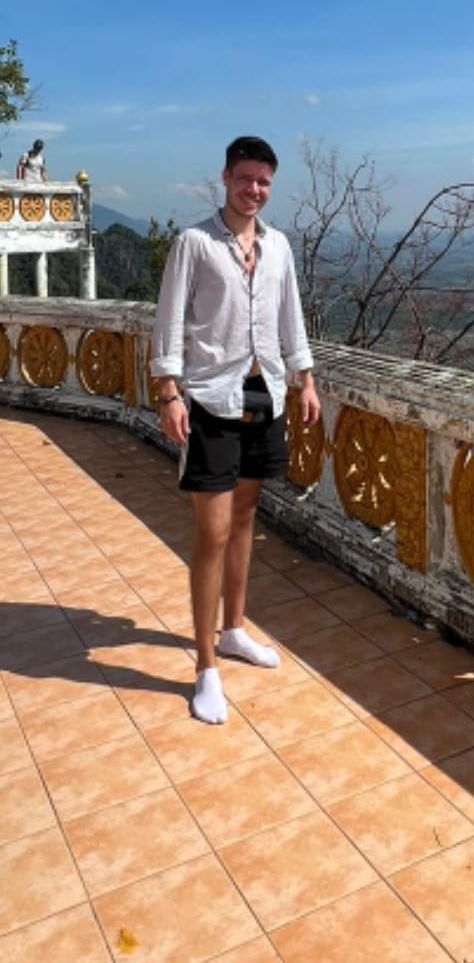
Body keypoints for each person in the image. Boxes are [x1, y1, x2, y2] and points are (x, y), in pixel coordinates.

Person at [151, 135, 320, 724]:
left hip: (265, 393)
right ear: (225, 178)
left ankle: (233, 630)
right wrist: (169, 392)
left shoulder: (278, 247)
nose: (254, 190)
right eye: (245, 178)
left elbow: (291, 316)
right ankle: (205, 668)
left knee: (246, 517)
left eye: (264, 182)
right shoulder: (194, 243)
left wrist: (305, 379)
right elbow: (169, 322)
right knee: (213, 531)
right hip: (209, 399)